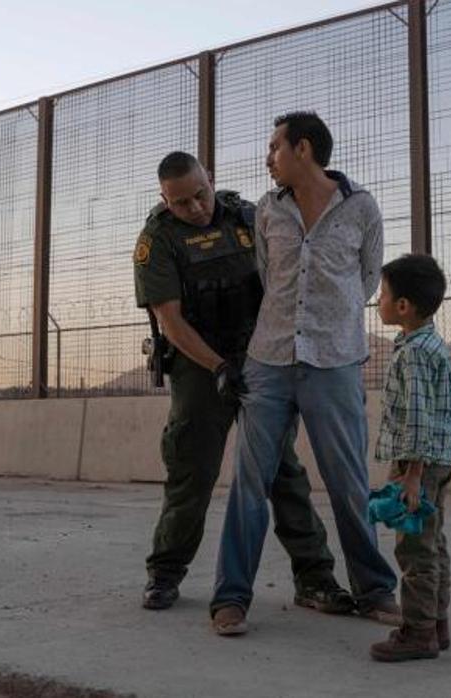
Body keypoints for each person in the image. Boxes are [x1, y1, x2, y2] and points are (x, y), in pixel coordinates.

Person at [132, 151, 353, 615]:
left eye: (200, 195)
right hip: (199, 366)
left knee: (283, 472)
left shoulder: (249, 217)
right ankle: (165, 574)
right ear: (163, 200)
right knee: (192, 472)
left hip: (259, 358)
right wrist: (218, 369)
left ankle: (315, 579)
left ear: (210, 180)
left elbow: (284, 280)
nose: (195, 208)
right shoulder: (158, 240)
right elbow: (171, 322)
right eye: (181, 203)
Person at [210, 112, 400, 636]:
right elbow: (271, 276)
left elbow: (364, 281)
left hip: (335, 361)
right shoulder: (269, 210)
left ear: (304, 149)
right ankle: (230, 599)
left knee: (348, 482)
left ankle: (375, 589)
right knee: (249, 482)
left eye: (275, 147)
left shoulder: (362, 208)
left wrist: (326, 324)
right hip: (268, 361)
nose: (267, 157)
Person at [367, 253, 451, 662]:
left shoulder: (415, 353)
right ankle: (436, 624)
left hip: (418, 462)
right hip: (438, 458)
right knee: (432, 539)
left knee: (414, 548)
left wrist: (411, 475)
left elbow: (419, 419)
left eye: (383, 294)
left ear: (403, 306)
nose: (378, 301)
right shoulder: (428, 343)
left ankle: (418, 632)